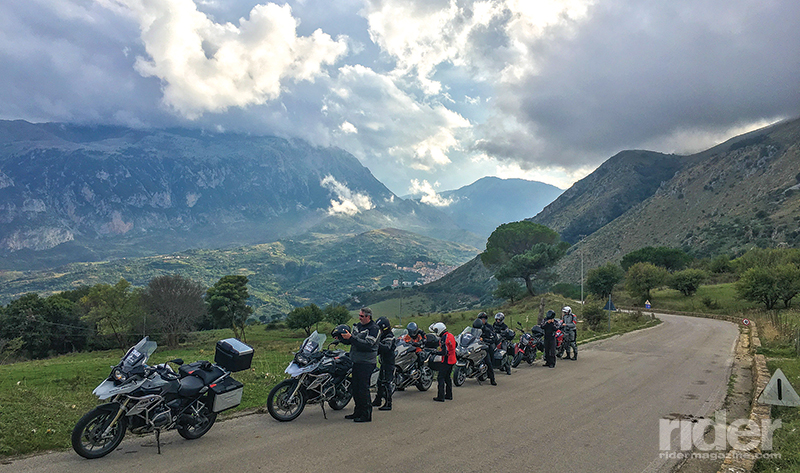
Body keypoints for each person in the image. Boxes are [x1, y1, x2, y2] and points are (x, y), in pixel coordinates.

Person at [340, 307, 379, 422]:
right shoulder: (358, 326)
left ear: (368, 316)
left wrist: (352, 338)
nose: (360, 318)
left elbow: (368, 345)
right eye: (359, 315)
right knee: (355, 388)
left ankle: (366, 414)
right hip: (356, 361)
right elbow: (352, 341)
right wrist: (343, 338)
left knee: (363, 389)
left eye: (362, 316)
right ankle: (357, 412)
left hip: (367, 363)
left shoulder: (374, 329)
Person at [372, 317, 396, 411]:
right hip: (383, 362)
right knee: (380, 382)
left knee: (386, 382)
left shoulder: (390, 336)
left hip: (388, 362)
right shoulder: (383, 336)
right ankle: (378, 400)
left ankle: (388, 403)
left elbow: (386, 348)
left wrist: (377, 343)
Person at [429, 322, 456, 402]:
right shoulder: (450, 335)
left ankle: (440, 396)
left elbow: (444, 352)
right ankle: (449, 395)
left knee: (440, 377)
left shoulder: (444, 338)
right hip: (452, 359)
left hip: (447, 360)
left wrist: (435, 352)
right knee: (447, 377)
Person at [476, 312, 498, 385]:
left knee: (488, 362)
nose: (482, 320)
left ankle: (492, 379)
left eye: (483, 319)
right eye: (481, 319)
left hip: (487, 346)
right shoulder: (476, 327)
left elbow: (493, 338)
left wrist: (484, 340)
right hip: (477, 346)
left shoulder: (489, 327)